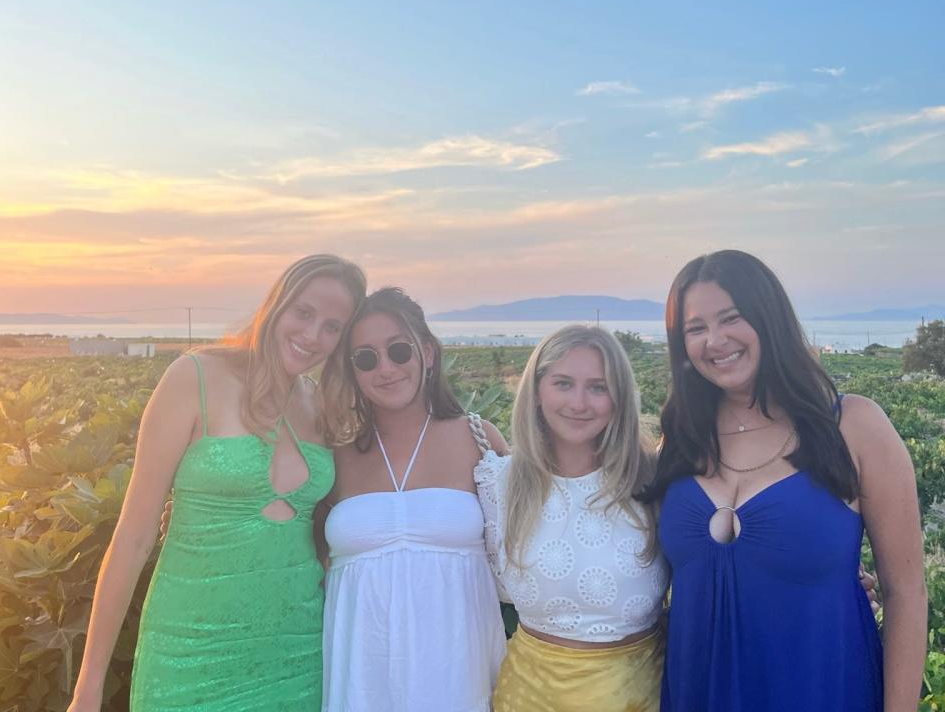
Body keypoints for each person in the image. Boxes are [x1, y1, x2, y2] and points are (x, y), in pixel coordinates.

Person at [68, 254, 366, 712]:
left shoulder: (321, 405)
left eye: (332, 326)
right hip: (188, 652)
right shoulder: (195, 377)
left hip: (296, 655)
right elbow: (132, 538)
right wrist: (88, 688)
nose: (313, 335)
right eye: (304, 313)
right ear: (277, 305)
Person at [645, 250, 926, 711]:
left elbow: (906, 592)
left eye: (730, 318)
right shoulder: (679, 442)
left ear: (768, 318)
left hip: (824, 689)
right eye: (695, 328)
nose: (714, 340)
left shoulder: (854, 426)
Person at [317, 287, 507, 712]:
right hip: (362, 682)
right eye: (366, 357)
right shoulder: (333, 456)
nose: (385, 368)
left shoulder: (479, 439)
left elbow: (535, 534)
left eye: (398, 350)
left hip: (463, 676)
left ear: (427, 353)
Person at [473, 324, 670, 711]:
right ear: (536, 392)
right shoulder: (500, 482)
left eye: (598, 387)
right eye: (563, 383)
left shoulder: (653, 479)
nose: (579, 403)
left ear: (620, 398)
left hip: (638, 696)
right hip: (527, 697)